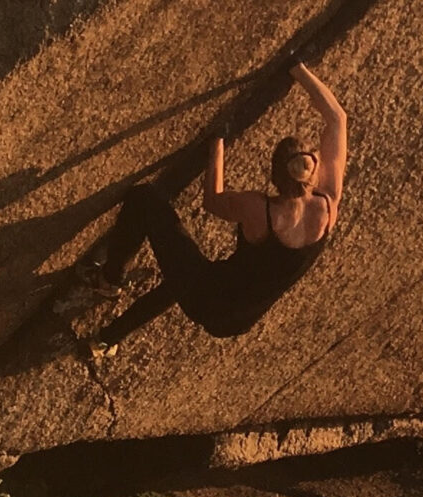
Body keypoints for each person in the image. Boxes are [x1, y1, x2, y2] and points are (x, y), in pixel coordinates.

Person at [82, 61, 347, 356]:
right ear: (314, 172)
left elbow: (213, 200)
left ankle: (109, 279)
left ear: (274, 178)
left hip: (208, 297)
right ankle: (105, 340)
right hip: (241, 316)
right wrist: (297, 69)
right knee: (183, 275)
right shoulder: (329, 205)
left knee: (143, 199)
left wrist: (217, 145)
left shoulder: (260, 210)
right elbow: (337, 119)